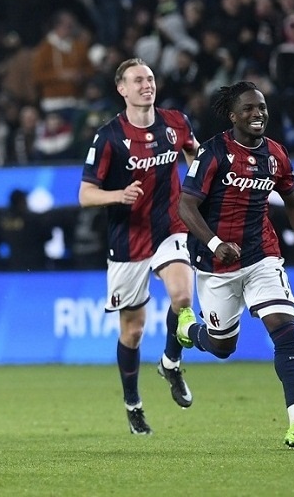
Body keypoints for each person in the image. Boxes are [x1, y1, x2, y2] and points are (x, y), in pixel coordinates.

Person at [176, 80, 294, 448]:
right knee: (222, 347)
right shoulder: (213, 153)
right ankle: (189, 330)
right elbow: (185, 205)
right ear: (233, 116)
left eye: (262, 107)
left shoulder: (276, 155)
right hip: (216, 263)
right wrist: (216, 243)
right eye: (249, 108)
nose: (258, 114)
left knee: (284, 328)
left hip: (261, 255)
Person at [79, 57, 199, 435]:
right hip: (127, 239)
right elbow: (85, 194)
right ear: (122, 89)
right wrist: (118, 195)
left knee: (182, 296)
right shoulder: (109, 137)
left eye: (150, 78)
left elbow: (194, 154)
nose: (147, 85)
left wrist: (198, 187)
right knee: (132, 331)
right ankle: (133, 404)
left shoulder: (176, 122)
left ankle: (171, 363)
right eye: (138, 80)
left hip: (170, 228)